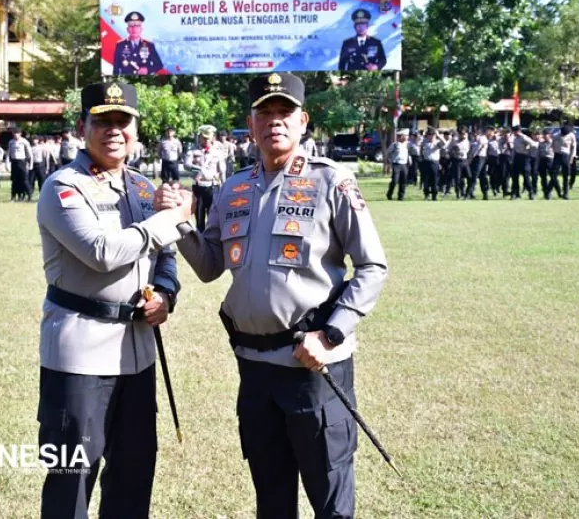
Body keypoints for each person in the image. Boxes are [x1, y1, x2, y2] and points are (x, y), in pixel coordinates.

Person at [156, 72, 388, 518]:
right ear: (251, 122)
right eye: (265, 113)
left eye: (284, 112)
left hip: (313, 367)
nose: (274, 122)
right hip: (255, 371)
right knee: (272, 499)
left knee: (331, 502)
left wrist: (331, 334)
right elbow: (208, 267)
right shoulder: (234, 187)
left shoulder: (331, 181)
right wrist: (180, 223)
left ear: (303, 121)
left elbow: (373, 267)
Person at [36, 81, 192, 519]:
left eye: (122, 121)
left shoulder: (143, 188)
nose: (113, 131)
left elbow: (166, 256)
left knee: (133, 473)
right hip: (81, 355)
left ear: (135, 128)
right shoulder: (64, 187)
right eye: (102, 121)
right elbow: (101, 253)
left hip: (136, 354)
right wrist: (168, 220)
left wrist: (165, 294)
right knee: (72, 480)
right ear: (83, 126)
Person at [184, 124, 224, 231]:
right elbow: (186, 165)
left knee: (213, 216)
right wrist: (199, 169)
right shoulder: (193, 151)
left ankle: (211, 239)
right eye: (204, 137)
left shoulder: (218, 152)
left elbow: (222, 171)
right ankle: (200, 239)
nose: (206, 140)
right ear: (199, 137)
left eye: (209, 138)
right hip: (199, 186)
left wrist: (224, 188)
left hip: (212, 186)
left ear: (212, 138)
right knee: (199, 215)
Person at [552, 125, 577, 200]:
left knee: (566, 176)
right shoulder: (556, 135)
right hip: (557, 155)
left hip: (566, 155)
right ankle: (554, 191)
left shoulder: (571, 135)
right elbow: (552, 145)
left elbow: (573, 147)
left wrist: (572, 157)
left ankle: (565, 193)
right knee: (554, 175)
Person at [8, 129, 33, 201]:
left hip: (22, 162)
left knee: (24, 180)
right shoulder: (11, 142)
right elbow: (9, 153)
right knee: (14, 180)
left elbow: (29, 154)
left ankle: (29, 195)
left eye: (17, 133)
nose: (15, 134)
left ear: (20, 134)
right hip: (14, 162)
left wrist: (30, 164)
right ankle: (13, 196)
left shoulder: (24, 142)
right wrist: (7, 163)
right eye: (14, 133)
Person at [421, 128, 446, 201]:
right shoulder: (424, 142)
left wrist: (438, 135)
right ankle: (426, 195)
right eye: (430, 135)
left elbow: (444, 143)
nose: (431, 137)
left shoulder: (437, 143)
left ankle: (434, 196)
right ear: (427, 136)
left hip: (435, 163)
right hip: (426, 162)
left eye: (433, 135)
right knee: (426, 180)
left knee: (435, 180)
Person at [386, 129, 409, 201]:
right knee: (395, 180)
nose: (406, 137)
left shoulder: (407, 144)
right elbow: (388, 153)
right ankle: (389, 193)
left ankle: (401, 196)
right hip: (396, 164)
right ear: (400, 137)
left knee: (403, 181)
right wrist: (389, 162)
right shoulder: (394, 144)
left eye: (406, 136)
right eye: (404, 136)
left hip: (404, 164)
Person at [449, 128, 471, 199]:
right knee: (457, 178)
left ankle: (467, 193)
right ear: (459, 134)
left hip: (465, 160)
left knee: (469, 177)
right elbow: (449, 150)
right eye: (462, 134)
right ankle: (458, 193)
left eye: (464, 134)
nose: (463, 136)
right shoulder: (454, 141)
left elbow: (468, 151)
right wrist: (454, 151)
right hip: (457, 160)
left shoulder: (467, 141)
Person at [538, 130, 558, 200]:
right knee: (543, 178)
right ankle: (545, 193)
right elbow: (538, 153)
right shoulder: (541, 143)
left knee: (553, 177)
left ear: (549, 135)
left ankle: (550, 190)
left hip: (550, 160)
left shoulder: (553, 143)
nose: (544, 136)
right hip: (542, 160)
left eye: (546, 135)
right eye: (543, 135)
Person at [486, 128, 501, 196]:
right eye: (493, 133)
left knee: (500, 174)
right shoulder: (489, 141)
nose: (495, 135)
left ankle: (498, 187)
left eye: (496, 133)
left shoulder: (501, 140)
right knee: (492, 174)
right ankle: (493, 188)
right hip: (491, 158)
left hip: (500, 158)